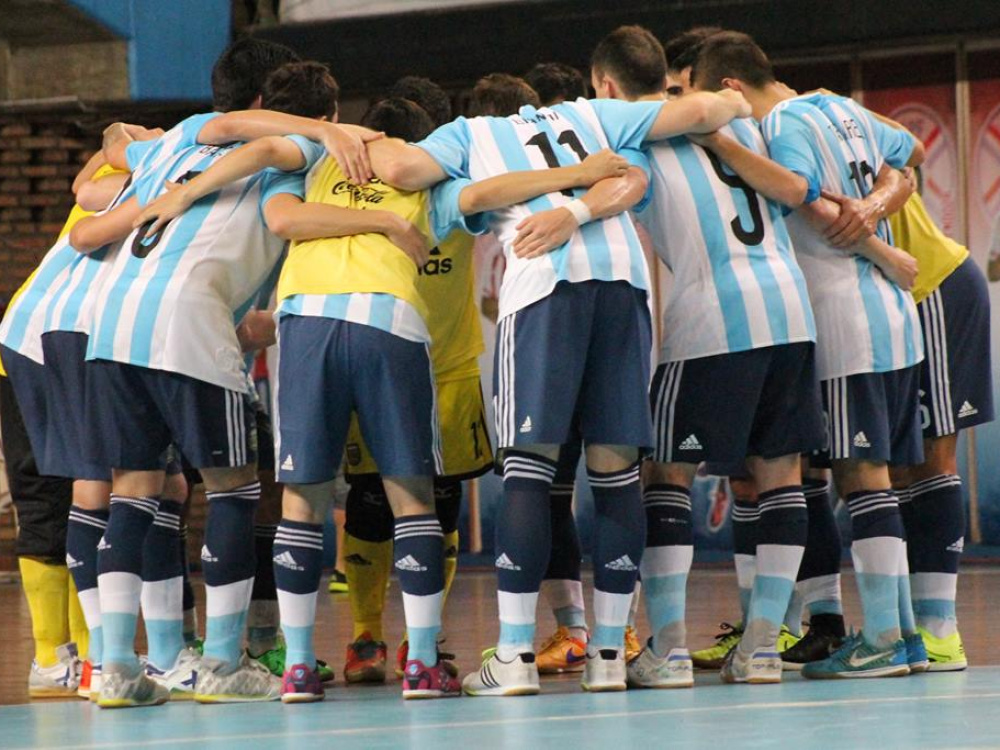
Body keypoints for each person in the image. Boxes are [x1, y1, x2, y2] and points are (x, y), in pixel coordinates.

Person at [133, 95, 632, 702]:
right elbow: (484, 195)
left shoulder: (312, 164)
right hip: (391, 326)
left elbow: (284, 217)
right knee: (412, 497)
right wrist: (579, 176)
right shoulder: (428, 185)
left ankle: (296, 666)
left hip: (309, 325)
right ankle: (421, 663)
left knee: (303, 500)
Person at [366, 81, 751, 695]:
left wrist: (354, 136)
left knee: (529, 472)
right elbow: (694, 118)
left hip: (543, 292)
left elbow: (404, 169)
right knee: (616, 469)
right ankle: (607, 654)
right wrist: (737, 103)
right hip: (624, 289)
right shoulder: (593, 115)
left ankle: (515, 655)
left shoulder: (471, 135)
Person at [67, 60, 372, 708]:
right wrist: (323, 135)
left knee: (133, 491)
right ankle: (222, 663)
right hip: (187, 316)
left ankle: (117, 667)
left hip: (113, 319)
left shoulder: (181, 136)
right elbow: (263, 143)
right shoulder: (302, 149)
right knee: (235, 487)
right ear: (329, 115)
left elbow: (115, 135)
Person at [589, 24, 823, 686]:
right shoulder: (746, 123)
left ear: (610, 85)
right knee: (781, 474)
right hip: (791, 312)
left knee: (666, 474)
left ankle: (668, 648)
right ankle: (762, 647)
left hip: (713, 321)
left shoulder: (635, 127)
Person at [693, 30, 928, 678]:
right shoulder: (841, 106)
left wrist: (876, 243)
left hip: (844, 311)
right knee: (870, 473)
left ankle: (883, 637)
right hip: (889, 316)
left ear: (731, 87)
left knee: (861, 474)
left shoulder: (779, 125)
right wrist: (882, 206)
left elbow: (804, 194)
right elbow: (905, 157)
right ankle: (900, 636)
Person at [340, 79, 495, 684]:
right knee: (372, 502)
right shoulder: (344, 192)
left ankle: (417, 641)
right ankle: (365, 638)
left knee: (442, 504)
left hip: (448, 368)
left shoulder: (456, 190)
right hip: (376, 360)